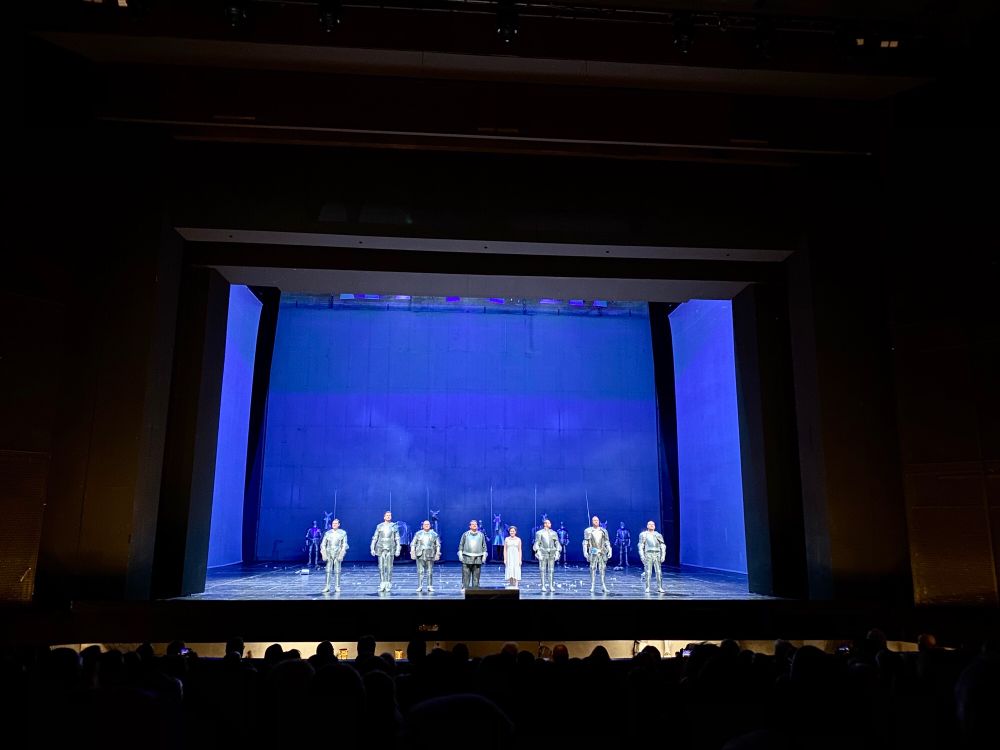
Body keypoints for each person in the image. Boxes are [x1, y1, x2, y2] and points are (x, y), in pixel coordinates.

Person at [370, 511, 401, 593]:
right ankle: (382, 583)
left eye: (389, 515)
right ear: (384, 517)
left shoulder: (394, 526)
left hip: (390, 548)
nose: (388, 516)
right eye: (387, 515)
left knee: (389, 567)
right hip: (380, 547)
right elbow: (375, 538)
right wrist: (372, 548)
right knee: (381, 567)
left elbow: (397, 538)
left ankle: (388, 583)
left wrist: (398, 549)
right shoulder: (379, 526)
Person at [583, 515, 612, 593]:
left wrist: (610, 550)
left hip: (602, 551)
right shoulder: (588, 531)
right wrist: (585, 551)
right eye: (594, 520)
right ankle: (592, 586)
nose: (596, 522)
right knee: (593, 568)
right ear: (592, 521)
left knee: (602, 569)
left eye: (597, 520)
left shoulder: (603, 531)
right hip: (593, 551)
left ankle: (603, 585)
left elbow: (607, 541)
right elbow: (585, 542)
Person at [411, 519, 441, 593]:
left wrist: (437, 553)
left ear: (430, 525)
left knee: (430, 571)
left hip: (430, 554)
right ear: (423, 525)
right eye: (425, 524)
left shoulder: (434, 534)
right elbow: (413, 543)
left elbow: (438, 545)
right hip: (420, 554)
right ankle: (420, 586)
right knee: (420, 571)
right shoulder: (418, 534)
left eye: (428, 524)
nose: (426, 525)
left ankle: (429, 586)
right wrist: (412, 552)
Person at [457, 519, 488, 590]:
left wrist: (484, 555)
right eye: (473, 524)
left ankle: (475, 589)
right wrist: (460, 554)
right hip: (467, 558)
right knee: (466, 575)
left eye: (476, 524)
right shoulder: (465, 534)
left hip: (478, 558)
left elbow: (484, 546)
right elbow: (461, 545)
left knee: (476, 576)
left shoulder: (481, 535)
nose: (474, 525)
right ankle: (465, 587)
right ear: (470, 526)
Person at [320, 518, 349, 593]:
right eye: (333, 523)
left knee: (337, 570)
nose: (334, 525)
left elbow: (344, 544)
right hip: (329, 552)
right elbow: (323, 544)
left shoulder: (343, 533)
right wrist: (324, 553)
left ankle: (337, 586)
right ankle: (327, 586)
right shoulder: (328, 533)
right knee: (328, 570)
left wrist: (341, 554)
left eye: (335, 523)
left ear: (338, 524)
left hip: (337, 552)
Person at [533, 518, 562, 593]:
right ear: (545, 524)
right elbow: (537, 543)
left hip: (552, 551)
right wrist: (538, 551)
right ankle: (543, 586)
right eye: (549, 523)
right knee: (542, 569)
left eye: (550, 523)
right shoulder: (539, 533)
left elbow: (557, 542)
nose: (550, 524)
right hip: (543, 551)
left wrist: (557, 551)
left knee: (551, 570)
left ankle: (551, 585)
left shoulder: (554, 533)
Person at [638, 520, 666, 593]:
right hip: (648, 554)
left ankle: (659, 587)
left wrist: (663, 555)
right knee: (648, 571)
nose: (652, 525)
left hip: (657, 554)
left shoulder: (658, 535)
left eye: (653, 524)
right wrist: (642, 555)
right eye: (650, 524)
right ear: (647, 526)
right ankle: (647, 587)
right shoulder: (643, 534)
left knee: (658, 571)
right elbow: (640, 545)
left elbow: (662, 545)